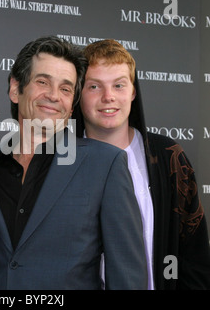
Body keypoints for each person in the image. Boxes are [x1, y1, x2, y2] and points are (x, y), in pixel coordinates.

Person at [0, 36, 147, 289]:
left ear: (72, 104)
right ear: (15, 88)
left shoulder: (105, 165)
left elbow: (127, 275)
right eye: (43, 82)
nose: (53, 96)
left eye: (65, 89)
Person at [72, 39, 210, 289]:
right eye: (94, 86)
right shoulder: (58, 161)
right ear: (78, 92)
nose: (108, 97)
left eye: (119, 85)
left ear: (133, 92)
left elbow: (194, 253)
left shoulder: (169, 158)